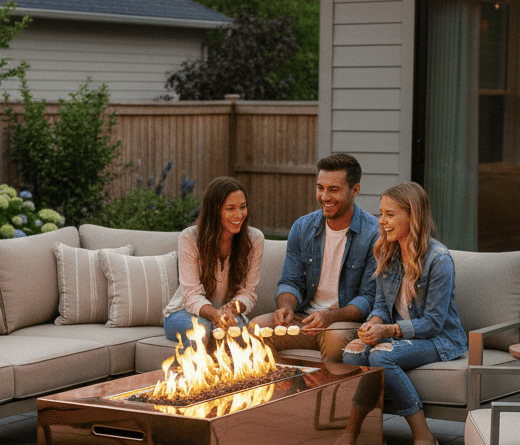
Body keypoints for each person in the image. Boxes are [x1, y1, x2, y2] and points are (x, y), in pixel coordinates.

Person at [330, 181, 467, 445]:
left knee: (381, 356)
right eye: (381, 213)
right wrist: (371, 328)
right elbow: (381, 306)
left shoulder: (438, 260)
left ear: (412, 216)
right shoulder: (387, 253)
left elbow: (433, 323)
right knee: (353, 354)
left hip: (440, 339)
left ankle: (426, 441)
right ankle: (371, 435)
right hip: (399, 333)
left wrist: (387, 333)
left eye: (390, 214)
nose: (382, 221)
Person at [251, 152, 380, 362]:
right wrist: (286, 307)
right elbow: (290, 281)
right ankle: (281, 389)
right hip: (305, 319)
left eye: (334, 190)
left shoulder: (374, 233)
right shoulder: (303, 227)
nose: (325, 197)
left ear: (355, 189)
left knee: (334, 336)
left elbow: (369, 298)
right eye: (320, 188)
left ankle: (324, 393)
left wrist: (330, 316)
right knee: (257, 328)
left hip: (343, 323)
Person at [162, 177, 264, 344]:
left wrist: (231, 309)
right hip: (182, 314)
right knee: (204, 330)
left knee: (241, 334)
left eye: (243, 207)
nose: (239, 215)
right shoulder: (190, 237)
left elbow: (248, 293)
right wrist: (216, 315)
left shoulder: (255, 239)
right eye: (230, 208)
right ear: (214, 211)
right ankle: (186, 371)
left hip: (227, 315)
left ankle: (234, 371)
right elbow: (192, 295)